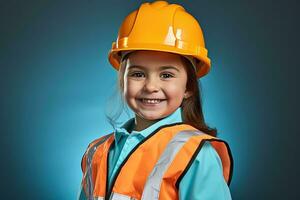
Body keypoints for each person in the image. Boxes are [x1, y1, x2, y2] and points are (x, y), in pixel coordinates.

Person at [78, 1, 233, 200]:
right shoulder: (97, 152)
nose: (151, 86)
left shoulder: (197, 155)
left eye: (167, 75)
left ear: (189, 87)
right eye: (137, 74)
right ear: (123, 81)